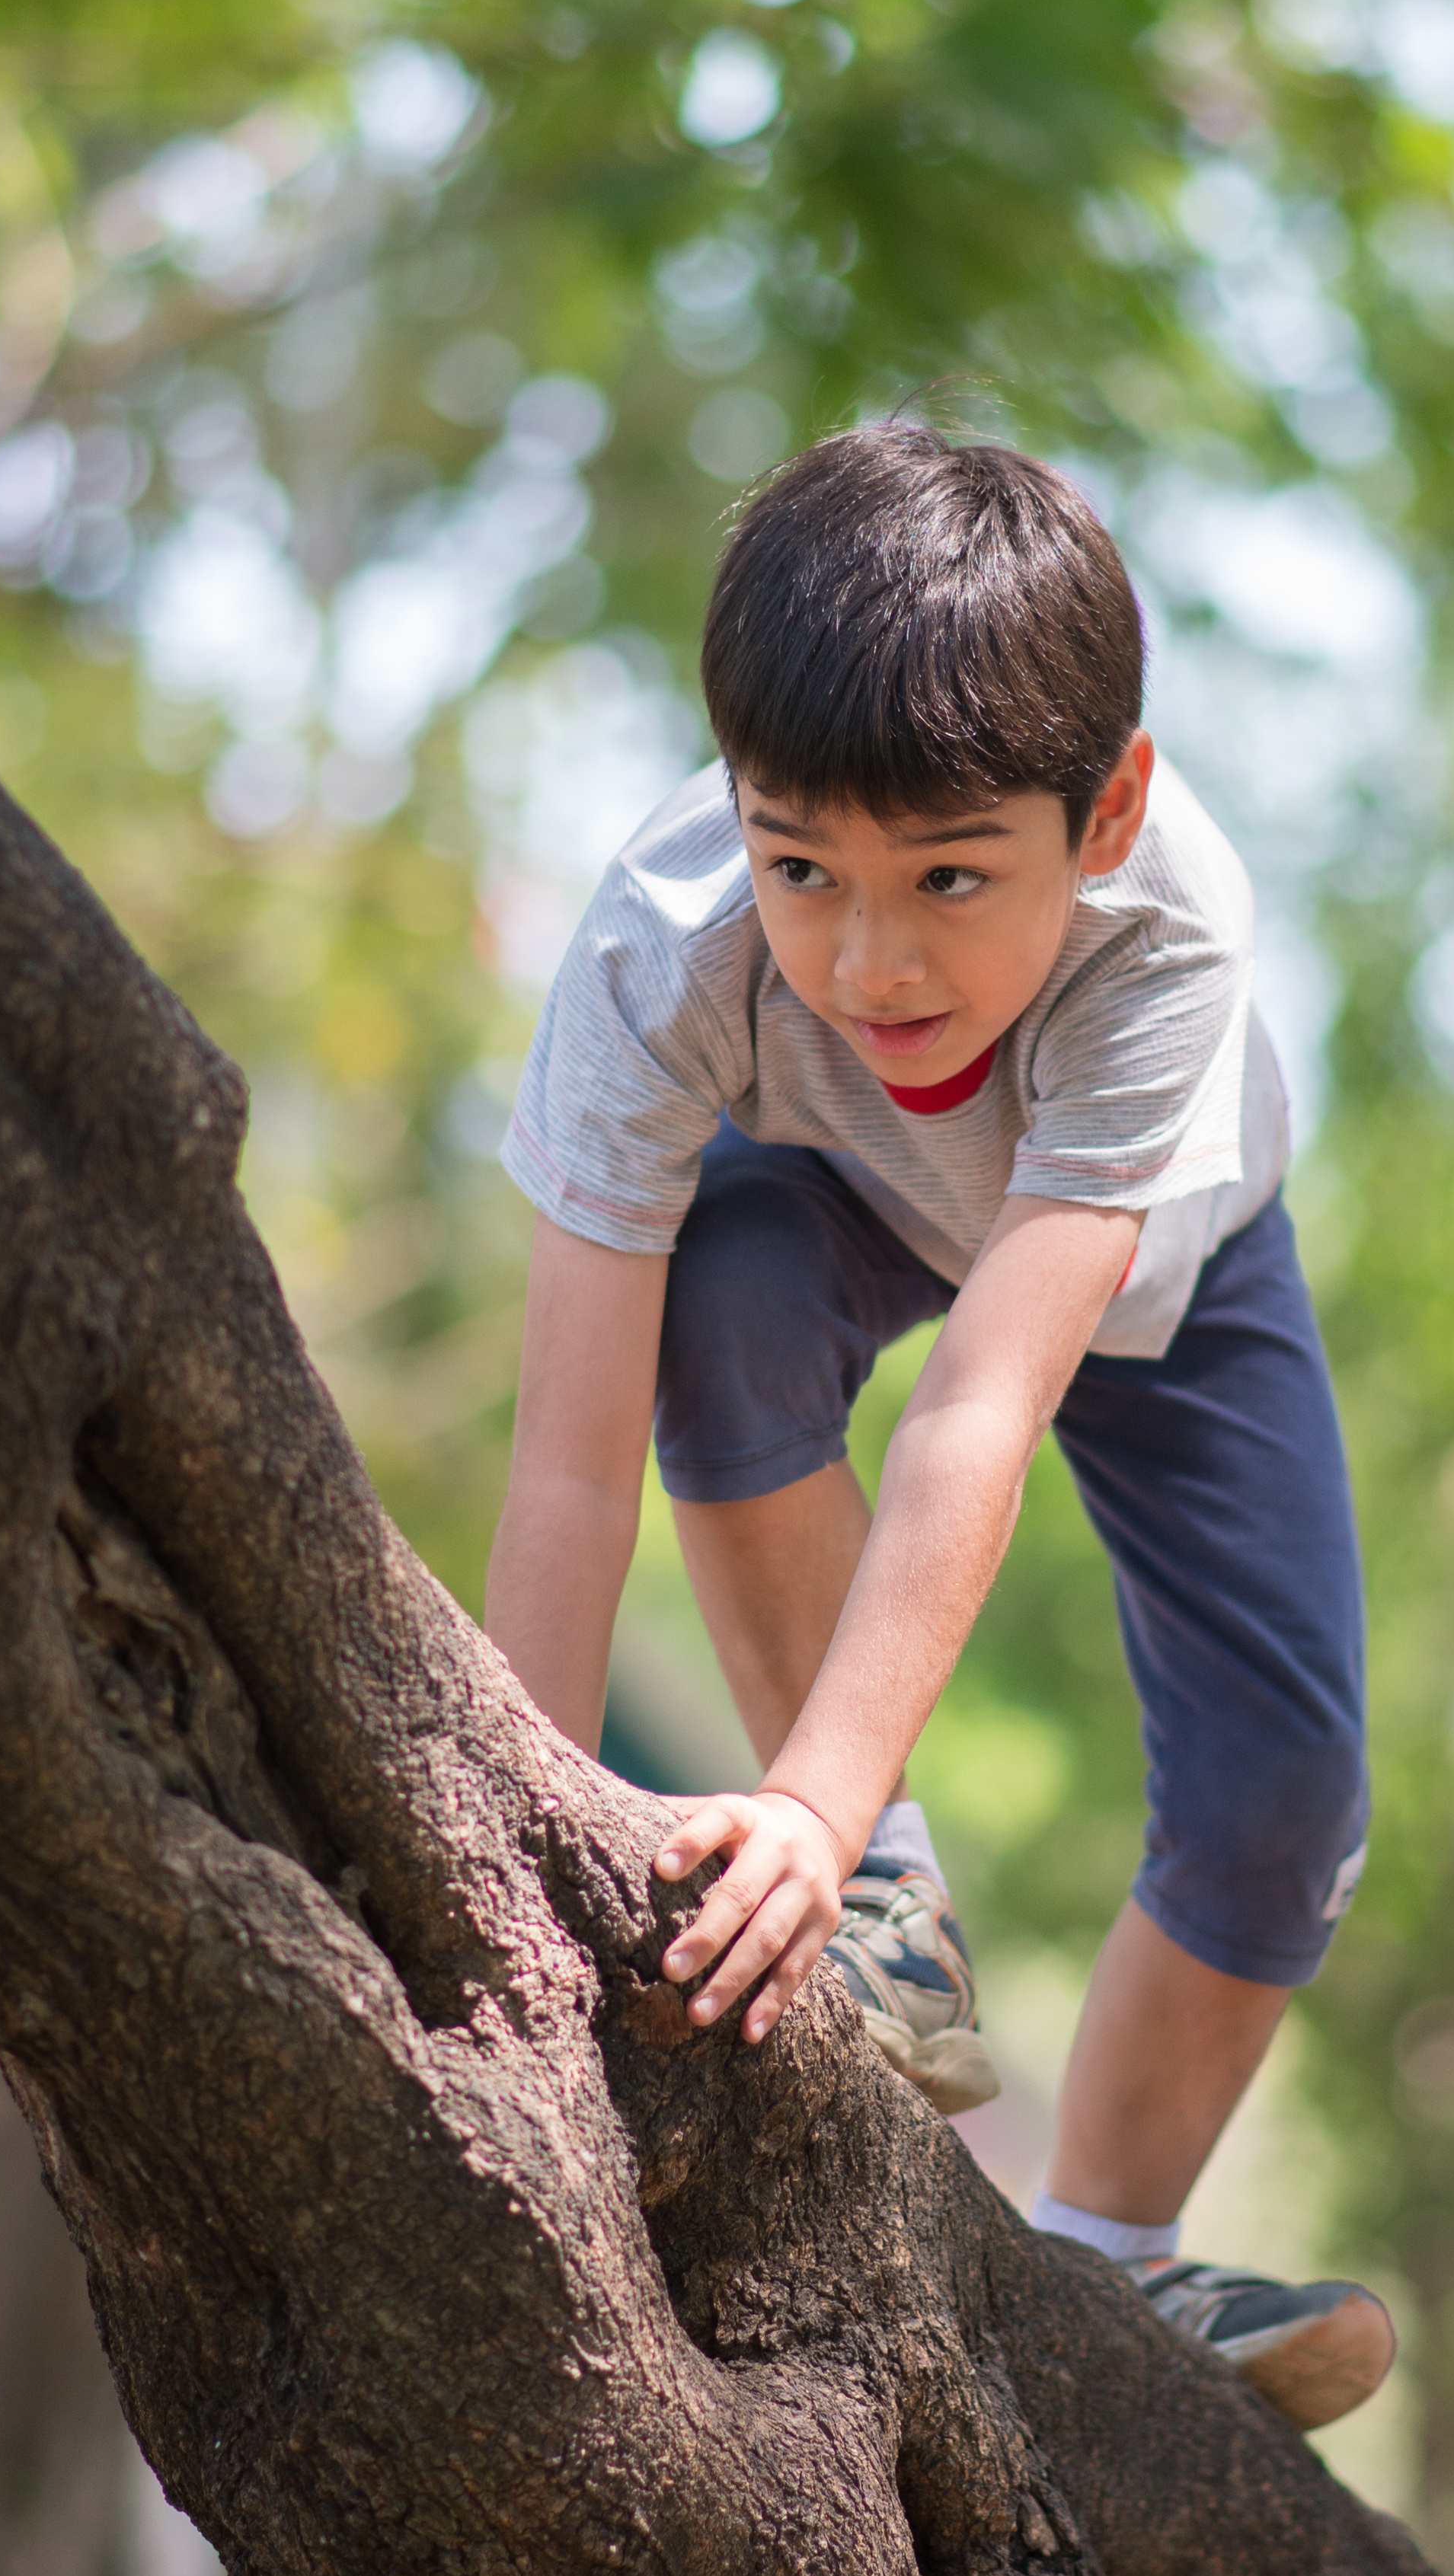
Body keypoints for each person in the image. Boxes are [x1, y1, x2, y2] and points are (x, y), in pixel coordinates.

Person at [479, 420, 1388, 2428]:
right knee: (716, 1304)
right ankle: (883, 1886)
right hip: (832, 1200)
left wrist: (785, 1803)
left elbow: (983, 1404)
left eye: (951, 880)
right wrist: (514, 1851)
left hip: (1160, 1262)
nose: (869, 958)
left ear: (1111, 811)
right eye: (802, 869)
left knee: (1286, 1799)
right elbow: (568, 1450)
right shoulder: (662, 952)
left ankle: (1108, 2257)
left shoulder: (1173, 940)